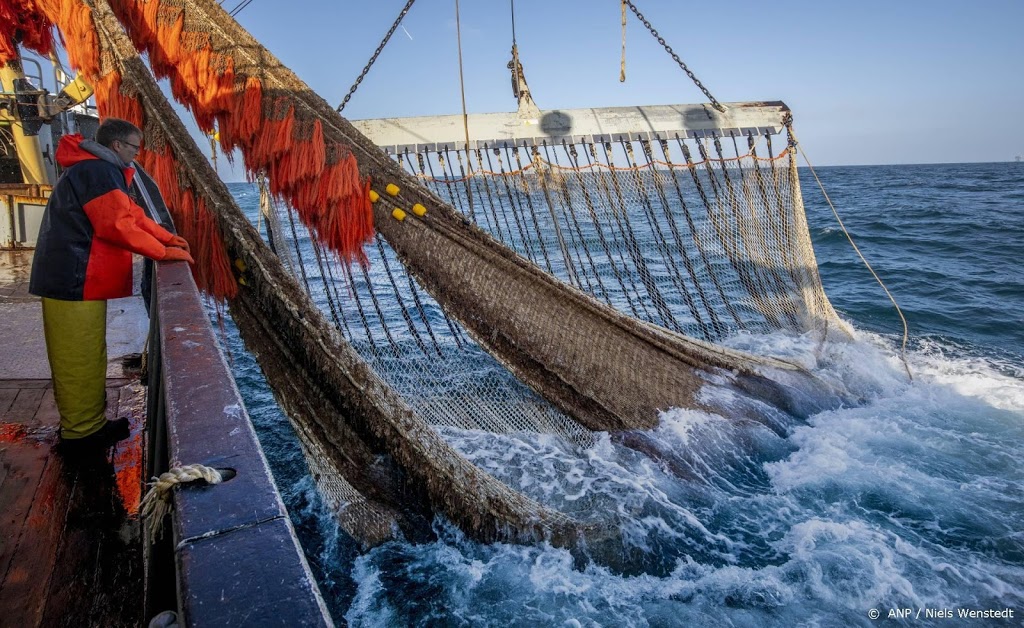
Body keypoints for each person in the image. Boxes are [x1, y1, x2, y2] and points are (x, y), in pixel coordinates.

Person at [29, 117, 194, 453]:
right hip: (73, 278)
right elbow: (116, 225)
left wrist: (168, 239)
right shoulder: (98, 172)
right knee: (78, 355)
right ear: (117, 145)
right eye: (134, 146)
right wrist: (163, 252)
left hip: (76, 277)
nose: (137, 153)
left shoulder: (97, 169)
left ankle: (90, 423)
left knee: (88, 351)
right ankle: (81, 435)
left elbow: (132, 214)